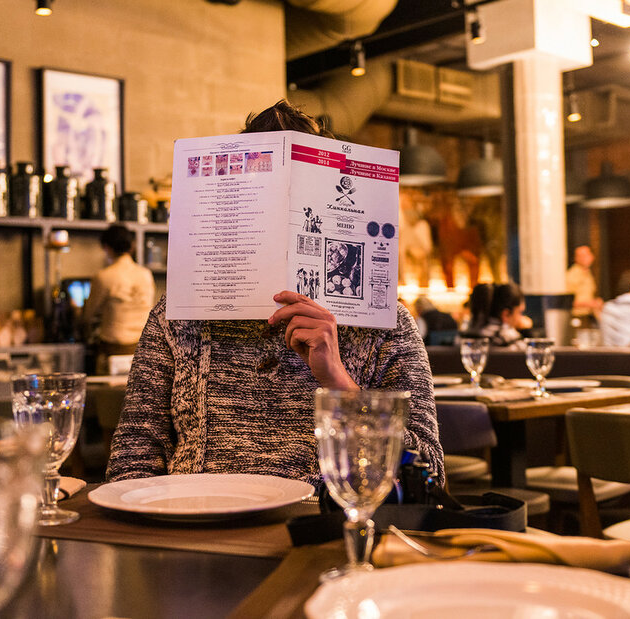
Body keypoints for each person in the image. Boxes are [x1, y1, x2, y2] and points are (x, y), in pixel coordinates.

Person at [106, 100, 444, 485]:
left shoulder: (386, 324)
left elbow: (429, 474)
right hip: (198, 518)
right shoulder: (178, 318)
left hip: (323, 521)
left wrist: (340, 383)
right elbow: (131, 463)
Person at [82, 224, 157, 373]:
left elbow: (88, 316)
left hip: (113, 350)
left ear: (106, 247)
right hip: (145, 349)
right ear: (132, 246)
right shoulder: (146, 274)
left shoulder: (103, 277)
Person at [479, 282, 533, 347]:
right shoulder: (512, 341)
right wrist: (527, 332)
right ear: (506, 314)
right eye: (519, 312)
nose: (521, 318)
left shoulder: (475, 332)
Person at [566, 245, 602, 325]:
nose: (584, 258)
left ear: (592, 257)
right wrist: (589, 303)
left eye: (586, 255)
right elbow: (567, 301)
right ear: (575, 258)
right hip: (577, 317)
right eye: (580, 256)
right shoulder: (572, 275)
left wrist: (596, 302)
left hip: (588, 316)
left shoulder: (587, 273)